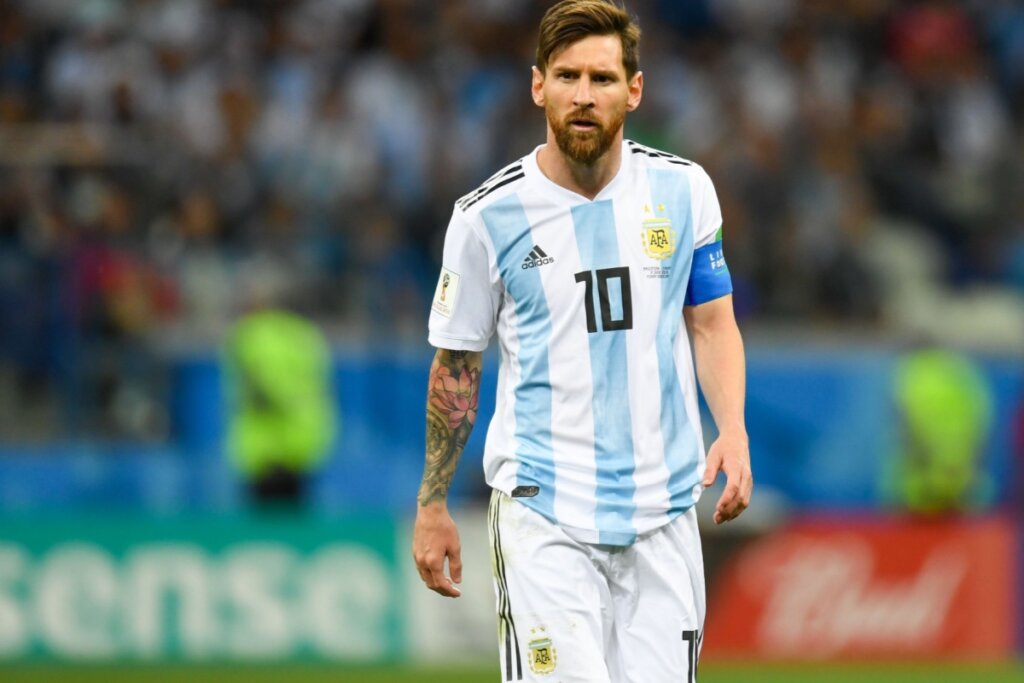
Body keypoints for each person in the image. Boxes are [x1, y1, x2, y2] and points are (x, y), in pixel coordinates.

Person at [412, 1, 752, 680]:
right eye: (567, 77)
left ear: (635, 89)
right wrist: (432, 503)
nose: (584, 96)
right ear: (538, 86)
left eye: (602, 77)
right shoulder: (486, 218)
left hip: (664, 513)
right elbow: (456, 364)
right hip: (546, 515)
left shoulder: (684, 192)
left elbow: (712, 322)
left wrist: (733, 427)